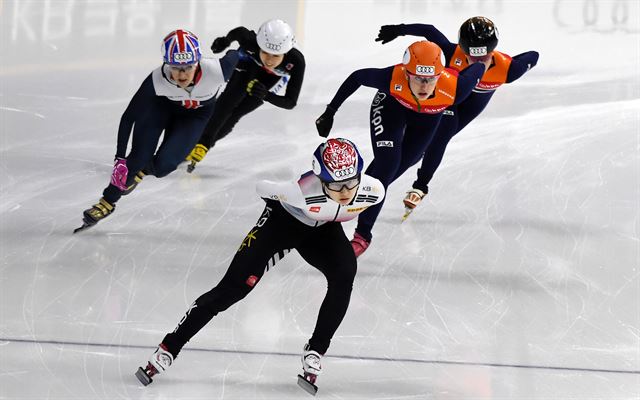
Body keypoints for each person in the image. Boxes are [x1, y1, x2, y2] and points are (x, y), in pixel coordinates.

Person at [135, 138, 385, 395]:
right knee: (233, 290)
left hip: (323, 232)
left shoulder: (372, 190)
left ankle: (316, 350)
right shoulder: (300, 191)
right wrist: (274, 209)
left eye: (351, 182)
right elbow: (262, 188)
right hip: (282, 225)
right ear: (321, 179)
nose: (345, 192)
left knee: (344, 274)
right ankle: (169, 347)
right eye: (335, 185)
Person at [315, 40, 485, 256]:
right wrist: (330, 112)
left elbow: (478, 68)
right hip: (391, 108)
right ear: (406, 74)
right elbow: (357, 76)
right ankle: (362, 235)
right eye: (418, 79)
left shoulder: (456, 87)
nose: (424, 86)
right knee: (388, 164)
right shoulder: (391, 77)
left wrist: (474, 61)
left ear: (439, 76)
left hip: (426, 120)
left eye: (430, 80)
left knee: (394, 170)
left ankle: (345, 195)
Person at [374, 17, 539, 218]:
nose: (477, 63)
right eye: (471, 56)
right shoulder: (452, 53)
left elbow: (533, 55)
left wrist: (514, 59)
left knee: (431, 145)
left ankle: (413, 185)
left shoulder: (509, 69)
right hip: (447, 101)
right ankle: (394, 184)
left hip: (467, 110)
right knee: (430, 141)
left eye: (484, 56)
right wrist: (399, 30)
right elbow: (430, 30)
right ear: (463, 48)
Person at [74, 29, 228, 233]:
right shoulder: (157, 79)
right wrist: (120, 158)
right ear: (166, 64)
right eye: (175, 68)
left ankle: (143, 172)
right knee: (136, 158)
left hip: (193, 116)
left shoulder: (218, 70)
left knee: (164, 166)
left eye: (188, 68)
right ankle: (107, 202)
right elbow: (128, 117)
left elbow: (240, 51)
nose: (182, 75)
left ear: (198, 62)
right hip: (161, 109)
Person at [185, 19, 306, 172]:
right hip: (250, 64)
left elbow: (290, 102)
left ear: (285, 53)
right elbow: (239, 31)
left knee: (237, 113)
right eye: (265, 52)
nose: (269, 60)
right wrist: (225, 41)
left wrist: (266, 95)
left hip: (273, 77)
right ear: (259, 45)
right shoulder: (251, 42)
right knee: (226, 102)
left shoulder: (296, 61)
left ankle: (205, 144)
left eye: (276, 55)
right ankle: (201, 142)